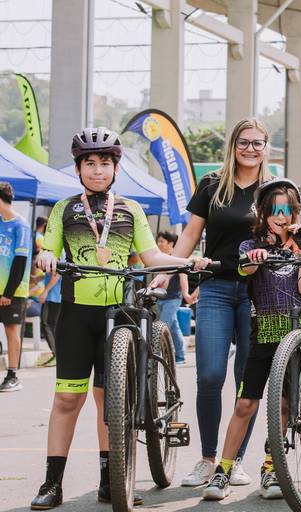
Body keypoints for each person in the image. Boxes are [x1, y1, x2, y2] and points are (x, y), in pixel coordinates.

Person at [30, 127, 209, 509]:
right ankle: (51, 483)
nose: (97, 170)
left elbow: (152, 257)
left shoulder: (130, 209)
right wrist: (45, 256)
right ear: (78, 168)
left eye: (104, 163)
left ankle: (109, 481)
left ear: (115, 167)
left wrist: (187, 260)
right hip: (76, 315)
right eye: (90, 163)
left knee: (109, 402)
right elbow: (50, 249)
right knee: (67, 398)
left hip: (119, 315)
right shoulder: (65, 209)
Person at [150, 118, 272, 487]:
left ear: (266, 147)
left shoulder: (272, 190)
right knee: (210, 375)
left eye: (257, 143)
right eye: (244, 142)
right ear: (233, 145)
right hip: (216, 287)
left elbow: (285, 235)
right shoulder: (212, 185)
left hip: (259, 291)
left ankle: (232, 462)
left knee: (246, 382)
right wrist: (168, 271)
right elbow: (191, 233)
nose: (250, 149)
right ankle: (207, 458)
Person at [202, 179, 301, 501]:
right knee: (245, 404)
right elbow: (246, 271)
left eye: (287, 211)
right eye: (274, 211)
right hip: (262, 333)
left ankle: (271, 467)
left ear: (295, 213)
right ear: (262, 214)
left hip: (293, 336)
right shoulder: (250, 245)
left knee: (285, 404)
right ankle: (223, 469)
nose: (281, 217)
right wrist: (256, 257)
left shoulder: (300, 246)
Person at [0, 182, 31, 392]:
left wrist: (8, 293)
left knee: (12, 331)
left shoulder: (21, 225)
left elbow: (20, 262)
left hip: (13, 291)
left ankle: (12, 375)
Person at [156, 231, 197, 365]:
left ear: (171, 244)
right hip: (160, 298)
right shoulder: (160, 258)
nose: (159, 244)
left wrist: (186, 295)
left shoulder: (176, 259)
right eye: (158, 241)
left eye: (162, 241)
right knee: (173, 327)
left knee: (163, 326)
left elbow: (183, 277)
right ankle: (179, 356)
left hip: (173, 298)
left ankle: (156, 357)